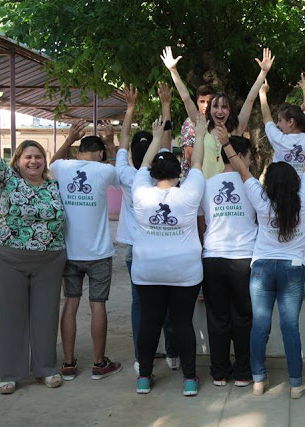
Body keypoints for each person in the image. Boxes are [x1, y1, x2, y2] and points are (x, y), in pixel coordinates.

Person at [220, 93, 305, 399]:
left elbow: (242, 169)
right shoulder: (304, 199)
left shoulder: (261, 199)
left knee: (259, 326)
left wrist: (227, 142)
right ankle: (295, 383)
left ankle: (258, 380)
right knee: (290, 327)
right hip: (293, 269)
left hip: (263, 268)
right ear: (294, 182)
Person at [0, 89, 67, 394]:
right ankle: (9, 373)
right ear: (18, 160)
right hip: (9, 258)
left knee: (45, 316)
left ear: (44, 161)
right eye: (28, 157)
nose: (33, 161)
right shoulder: (7, 181)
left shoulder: (54, 185)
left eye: (38, 157)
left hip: (50, 260)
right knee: (10, 316)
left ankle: (46, 368)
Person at [131, 115, 207, 396]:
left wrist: (154, 138)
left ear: (152, 173)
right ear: (178, 174)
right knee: (183, 323)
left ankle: (144, 378)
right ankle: (189, 379)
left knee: (150, 323)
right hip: (184, 272)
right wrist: (199, 134)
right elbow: (197, 163)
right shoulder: (188, 193)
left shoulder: (140, 192)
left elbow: (142, 164)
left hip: (147, 271)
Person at [115, 83, 179, 375]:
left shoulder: (128, 174)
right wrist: (165, 104)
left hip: (135, 250)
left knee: (139, 303)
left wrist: (130, 108)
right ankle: (174, 353)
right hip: (164, 247)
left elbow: (123, 140)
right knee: (167, 300)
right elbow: (165, 136)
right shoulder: (162, 173)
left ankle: (143, 357)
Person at [50, 123, 122, 381]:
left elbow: (50, 164)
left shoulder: (62, 167)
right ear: (100, 153)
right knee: (97, 304)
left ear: (79, 152)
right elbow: (122, 171)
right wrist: (112, 141)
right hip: (98, 253)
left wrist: (69, 138)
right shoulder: (105, 170)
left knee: (70, 302)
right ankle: (99, 363)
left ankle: (68, 364)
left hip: (69, 252)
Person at [161, 45, 274, 179]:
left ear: (230, 110)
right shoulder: (201, 126)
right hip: (205, 191)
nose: (219, 111)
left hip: (229, 192)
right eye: (215, 106)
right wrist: (173, 70)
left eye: (224, 107)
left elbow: (250, 99)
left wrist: (263, 72)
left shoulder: (236, 128)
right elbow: (186, 98)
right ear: (210, 110)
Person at [198, 136, 258, 388]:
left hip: (213, 258)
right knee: (243, 317)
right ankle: (243, 372)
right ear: (240, 155)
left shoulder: (207, 185)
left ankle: (220, 372)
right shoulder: (252, 185)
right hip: (244, 258)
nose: (252, 161)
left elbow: (202, 223)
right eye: (250, 156)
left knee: (217, 317)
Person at [259, 72, 305, 273]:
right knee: (303, 238)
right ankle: (301, 270)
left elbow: (265, 118)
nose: (278, 124)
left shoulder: (280, 140)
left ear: (290, 122)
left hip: (280, 198)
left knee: (278, 234)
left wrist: (262, 94)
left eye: (281, 120)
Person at [180, 84, 216, 180]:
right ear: (197, 102)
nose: (205, 105)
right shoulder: (190, 123)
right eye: (202, 101)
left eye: (209, 102)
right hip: (192, 177)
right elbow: (189, 154)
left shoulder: (216, 123)